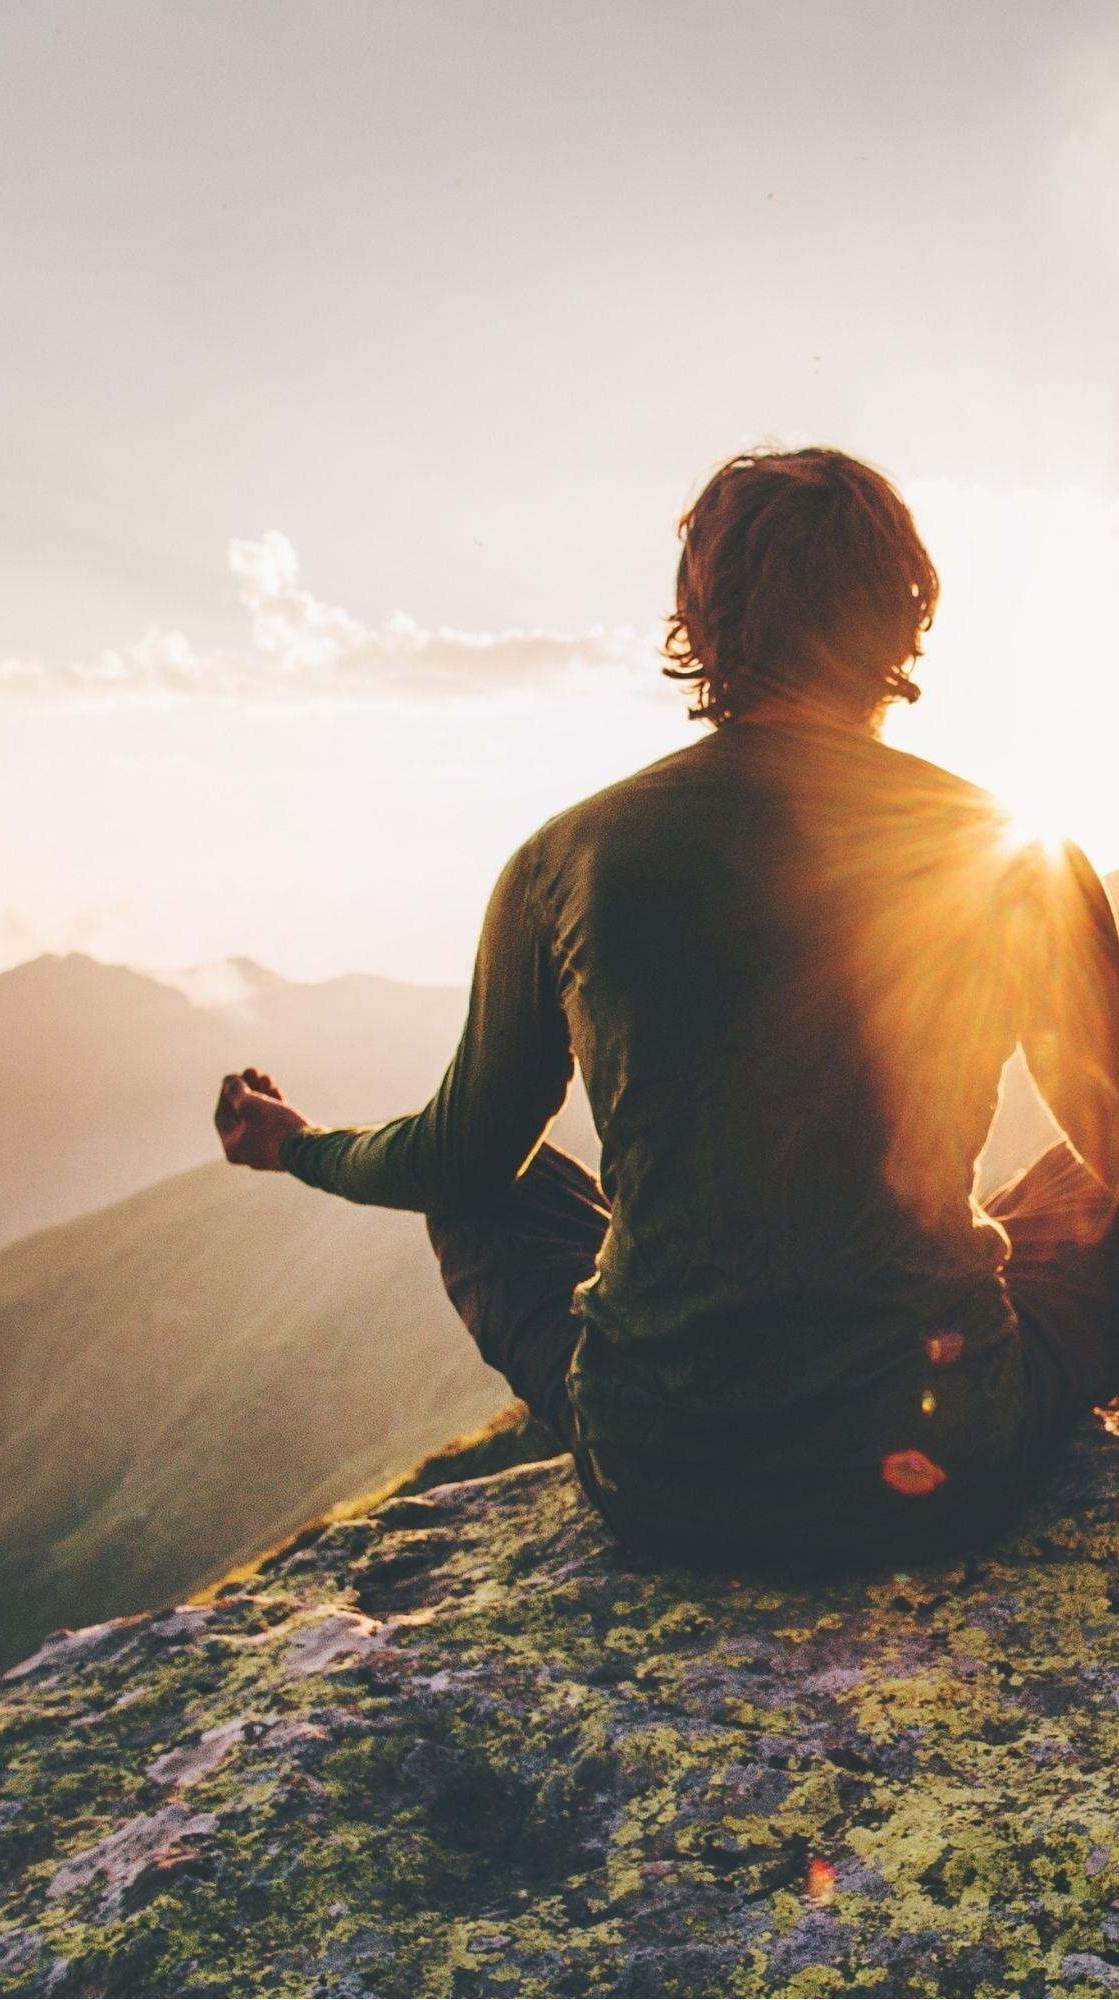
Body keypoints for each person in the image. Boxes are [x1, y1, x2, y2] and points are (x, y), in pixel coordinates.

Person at [214, 446, 1119, 1570]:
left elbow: (451, 1166)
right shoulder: (1015, 854)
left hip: (663, 1478)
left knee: (490, 1185)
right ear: (905, 611)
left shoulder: (566, 857)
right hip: (941, 1468)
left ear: (700, 616)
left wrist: (299, 1145)